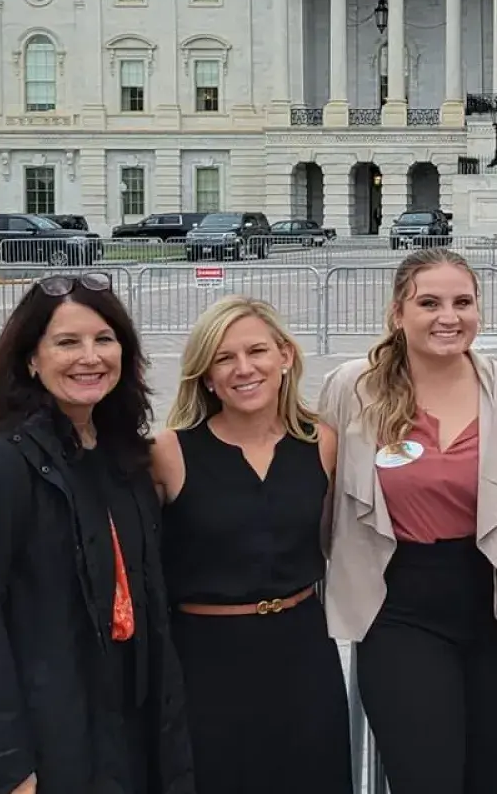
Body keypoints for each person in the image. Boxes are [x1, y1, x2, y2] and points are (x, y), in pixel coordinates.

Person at [0, 272, 192, 794]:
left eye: (104, 340)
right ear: (31, 359)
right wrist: (7, 765)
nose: (90, 358)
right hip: (42, 743)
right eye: (67, 343)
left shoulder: (124, 459)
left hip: (123, 734)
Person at [318, 247, 497, 794]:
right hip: (400, 610)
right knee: (427, 778)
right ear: (398, 313)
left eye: (463, 302)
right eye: (430, 303)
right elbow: (315, 492)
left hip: (496, 608)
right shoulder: (354, 389)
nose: (449, 316)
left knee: (486, 780)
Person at [149, 296, 349, 794]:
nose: (244, 369)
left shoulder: (321, 443)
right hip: (205, 662)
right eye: (224, 357)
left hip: (302, 653)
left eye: (257, 351)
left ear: (285, 356)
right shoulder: (169, 453)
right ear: (206, 374)